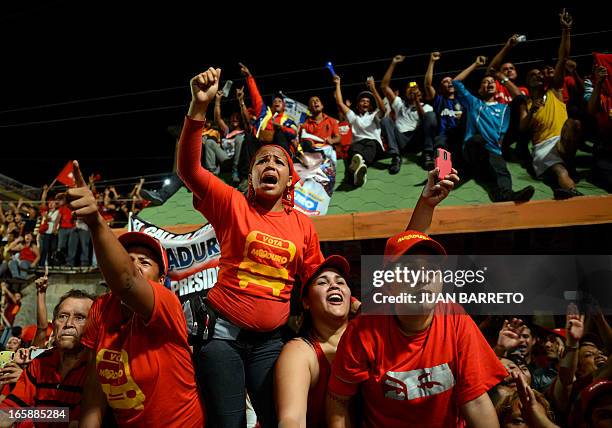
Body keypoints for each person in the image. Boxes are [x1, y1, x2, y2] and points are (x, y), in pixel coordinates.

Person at [177, 66, 324, 428]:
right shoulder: (232, 204)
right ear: (252, 176)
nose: (270, 164)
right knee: (230, 424)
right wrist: (198, 106)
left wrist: (351, 305)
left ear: (291, 180)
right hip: (222, 339)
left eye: (278, 162)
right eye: (262, 161)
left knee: (277, 420)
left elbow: (318, 276)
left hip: (271, 344)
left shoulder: (303, 225)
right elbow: (189, 170)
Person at [66, 162, 204, 427]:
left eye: (145, 262)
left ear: (162, 280)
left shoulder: (166, 303)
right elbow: (95, 389)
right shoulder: (102, 308)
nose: (135, 266)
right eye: (128, 258)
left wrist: (96, 221)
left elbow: (126, 281)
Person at [326, 230, 506, 427]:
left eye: (431, 269)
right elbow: (339, 402)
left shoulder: (455, 318)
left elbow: (476, 401)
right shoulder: (363, 331)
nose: (423, 278)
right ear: (387, 285)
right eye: (410, 269)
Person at [275, 255, 352, 428]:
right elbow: (291, 419)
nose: (333, 285)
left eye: (340, 282)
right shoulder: (299, 352)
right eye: (322, 282)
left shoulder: (369, 337)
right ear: (306, 302)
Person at [0, 288, 95, 427]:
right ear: (55, 323)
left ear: (95, 326)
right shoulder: (40, 362)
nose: (68, 324)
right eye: (62, 316)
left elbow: (77, 422)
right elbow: (7, 414)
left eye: (80, 318)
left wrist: (32, 412)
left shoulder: (99, 368)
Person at [518, 9, 583, 199]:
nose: (538, 75)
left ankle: (568, 163)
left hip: (563, 141)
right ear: (527, 82)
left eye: (540, 74)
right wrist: (533, 111)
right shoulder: (527, 103)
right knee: (561, 172)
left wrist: (566, 30)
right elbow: (522, 127)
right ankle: (573, 195)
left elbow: (563, 58)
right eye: (533, 75)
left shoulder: (555, 90)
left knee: (575, 124)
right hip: (543, 147)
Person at [453, 56, 535, 202]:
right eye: (485, 82)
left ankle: (505, 195)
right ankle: (466, 170)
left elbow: (520, 98)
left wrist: (502, 78)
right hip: (473, 151)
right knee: (478, 140)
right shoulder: (474, 103)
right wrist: (475, 64)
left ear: (497, 88)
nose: (489, 83)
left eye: (492, 82)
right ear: (480, 89)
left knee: (502, 170)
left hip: (492, 153)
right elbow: (456, 82)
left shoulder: (504, 109)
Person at [381, 55, 438, 172]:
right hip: (401, 140)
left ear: (420, 92)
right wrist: (393, 63)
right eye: (409, 88)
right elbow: (384, 86)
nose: (412, 90)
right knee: (386, 119)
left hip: (417, 139)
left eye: (415, 88)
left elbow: (425, 119)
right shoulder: (399, 103)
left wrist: (417, 102)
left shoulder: (426, 106)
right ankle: (395, 156)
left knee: (431, 116)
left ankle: (427, 154)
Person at [334, 74, 386, 187]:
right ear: (357, 105)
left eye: (367, 101)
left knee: (370, 145)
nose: (365, 103)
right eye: (362, 101)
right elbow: (340, 103)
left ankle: (358, 163)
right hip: (358, 146)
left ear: (371, 105)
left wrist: (373, 88)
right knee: (353, 148)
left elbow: (383, 109)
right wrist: (338, 84)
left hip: (374, 146)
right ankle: (360, 170)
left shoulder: (374, 115)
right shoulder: (354, 117)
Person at [423, 51, 465, 159]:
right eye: (445, 81)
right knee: (441, 147)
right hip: (444, 136)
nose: (449, 82)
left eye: (451, 81)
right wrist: (432, 61)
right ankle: (441, 169)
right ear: (441, 88)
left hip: (461, 136)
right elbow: (427, 85)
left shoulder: (462, 100)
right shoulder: (439, 99)